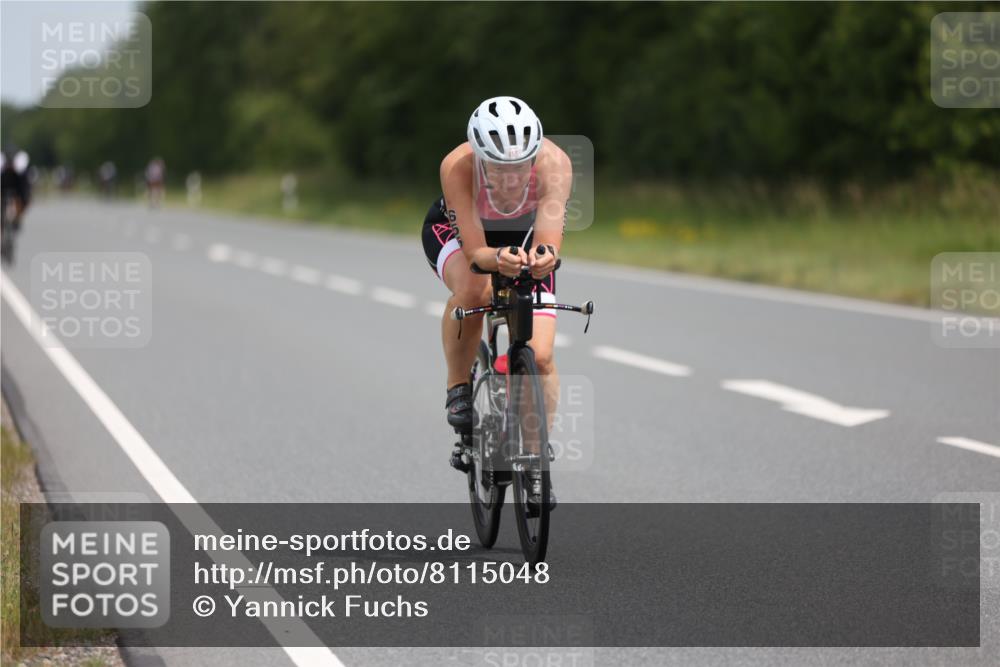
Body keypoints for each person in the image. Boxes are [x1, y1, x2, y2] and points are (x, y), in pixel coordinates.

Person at [421, 96, 571, 504]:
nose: (510, 178)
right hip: (458, 235)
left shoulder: (555, 163)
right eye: (499, 169)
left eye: (520, 167)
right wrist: (496, 260)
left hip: (521, 237)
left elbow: (548, 243)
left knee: (539, 357)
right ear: (480, 157)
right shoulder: (458, 165)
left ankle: (536, 458)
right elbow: (475, 254)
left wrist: (542, 261)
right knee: (475, 290)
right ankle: (458, 386)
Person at [1, 149, 32, 230]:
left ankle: (16, 220)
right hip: (5, 184)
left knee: (23, 198)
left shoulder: (21, 161)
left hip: (18, 186)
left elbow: (24, 186)